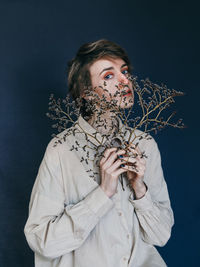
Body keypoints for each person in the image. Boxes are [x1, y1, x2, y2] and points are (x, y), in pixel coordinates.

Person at [24, 39, 174, 267]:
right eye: (108, 76)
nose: (125, 80)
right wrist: (103, 193)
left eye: (124, 71)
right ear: (87, 93)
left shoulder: (145, 144)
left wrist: (139, 189)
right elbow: (43, 241)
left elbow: (161, 236)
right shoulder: (62, 150)